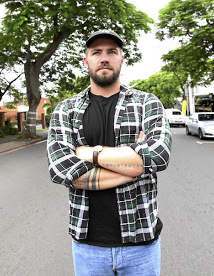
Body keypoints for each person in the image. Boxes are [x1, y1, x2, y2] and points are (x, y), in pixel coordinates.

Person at [47, 29, 172, 276]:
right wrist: (135, 166)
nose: (104, 58)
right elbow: (61, 169)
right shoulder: (66, 110)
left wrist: (88, 154)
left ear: (122, 58)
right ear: (86, 60)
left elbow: (158, 155)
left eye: (111, 52)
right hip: (88, 245)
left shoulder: (147, 103)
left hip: (141, 241)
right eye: (97, 52)